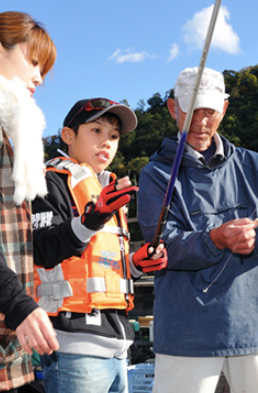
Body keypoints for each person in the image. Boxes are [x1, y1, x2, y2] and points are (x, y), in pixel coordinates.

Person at [137, 67, 258, 393]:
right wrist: (215, 238)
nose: (201, 121)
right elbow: (162, 246)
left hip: (250, 324)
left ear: (223, 109)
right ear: (173, 109)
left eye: (209, 111)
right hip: (185, 331)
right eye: (190, 110)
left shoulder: (254, 165)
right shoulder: (155, 174)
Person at [31, 97, 168, 393]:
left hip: (119, 347)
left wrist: (135, 264)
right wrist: (91, 219)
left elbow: (99, 266)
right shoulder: (47, 181)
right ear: (68, 135)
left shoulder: (107, 190)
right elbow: (41, 249)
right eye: (96, 131)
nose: (106, 142)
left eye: (114, 136)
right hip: (72, 346)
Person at [0, 11, 58, 393]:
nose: (39, 77)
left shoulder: (8, 130)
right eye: (33, 62)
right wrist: (19, 304)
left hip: (9, 346)